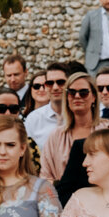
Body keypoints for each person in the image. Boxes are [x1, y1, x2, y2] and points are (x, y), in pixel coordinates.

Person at [42, 72, 99, 202]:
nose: (77, 96)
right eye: (72, 92)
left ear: (94, 97)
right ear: (67, 97)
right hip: (63, 202)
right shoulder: (56, 136)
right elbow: (45, 177)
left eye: (83, 92)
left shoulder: (107, 130)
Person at [24, 66, 69, 150]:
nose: (55, 87)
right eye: (50, 83)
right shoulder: (33, 119)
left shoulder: (79, 114)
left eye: (60, 82)